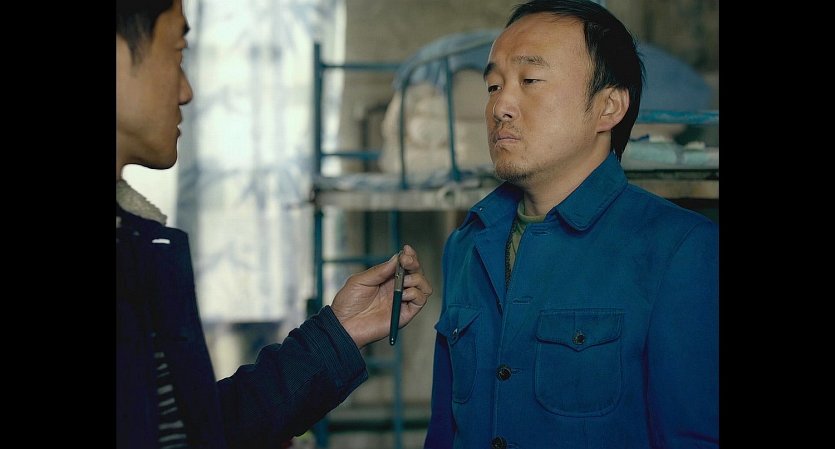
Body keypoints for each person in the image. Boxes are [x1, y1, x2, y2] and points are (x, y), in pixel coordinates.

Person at [116, 1, 434, 448]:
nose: (187, 91)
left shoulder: (134, 242)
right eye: (177, 53)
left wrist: (340, 332)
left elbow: (199, 427)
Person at [423, 1, 718, 448]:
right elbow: (443, 431)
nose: (500, 105)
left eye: (530, 81)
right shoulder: (467, 244)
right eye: (493, 85)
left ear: (608, 107)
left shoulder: (681, 250)